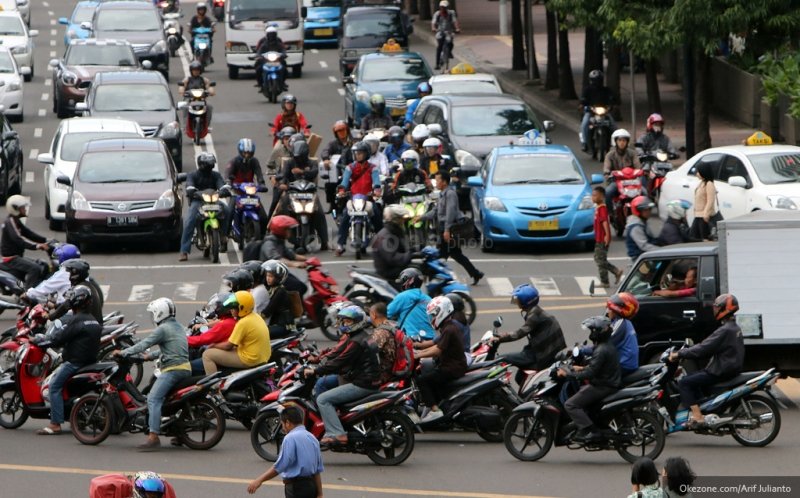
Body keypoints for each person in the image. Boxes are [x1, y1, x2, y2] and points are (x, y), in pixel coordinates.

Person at [115, 297, 191, 451]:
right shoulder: (178, 327)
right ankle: (179, 432)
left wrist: (123, 352)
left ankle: (153, 437)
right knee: (169, 401)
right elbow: (170, 348)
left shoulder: (162, 329)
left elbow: (144, 344)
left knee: (153, 399)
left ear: (159, 313)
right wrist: (149, 357)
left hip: (173, 370)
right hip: (185, 368)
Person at [303, 305, 381, 446]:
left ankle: (337, 434)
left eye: (348, 322)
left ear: (358, 321)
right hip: (368, 380)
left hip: (362, 384)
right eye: (344, 321)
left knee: (322, 399)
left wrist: (315, 371)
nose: (345, 324)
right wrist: (320, 361)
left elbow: (339, 362)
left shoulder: (356, 342)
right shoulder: (361, 336)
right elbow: (337, 353)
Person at [668, 294, 744, 427]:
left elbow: (703, 348)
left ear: (724, 309)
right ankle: (704, 408)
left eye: (717, 308)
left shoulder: (724, 330)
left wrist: (680, 353)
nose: (714, 310)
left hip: (721, 370)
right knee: (695, 377)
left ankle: (698, 416)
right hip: (729, 367)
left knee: (685, 382)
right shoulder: (733, 327)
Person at [35, 287, 101, 436]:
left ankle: (55, 423)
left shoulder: (76, 320)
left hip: (74, 363)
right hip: (90, 361)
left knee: (54, 386)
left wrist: (40, 340)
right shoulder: (92, 320)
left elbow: (59, 338)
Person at [558, 316, 621, 442]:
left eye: (592, 331)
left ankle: (589, 430)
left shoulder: (601, 350)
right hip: (608, 382)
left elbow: (591, 373)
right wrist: (580, 368)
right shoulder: (606, 346)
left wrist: (569, 374)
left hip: (602, 386)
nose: (591, 334)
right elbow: (596, 366)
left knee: (570, 404)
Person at [491, 284, 567, 384]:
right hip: (543, 350)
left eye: (518, 299)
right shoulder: (536, 311)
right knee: (520, 377)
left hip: (542, 354)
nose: (516, 301)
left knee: (502, 359)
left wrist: (500, 338)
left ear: (525, 301)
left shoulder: (535, 315)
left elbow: (519, 333)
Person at [419, 171, 483, 285]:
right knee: (455, 254)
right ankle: (475, 273)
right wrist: (421, 218)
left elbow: (451, 213)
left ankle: (435, 278)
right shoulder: (442, 194)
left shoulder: (450, 194)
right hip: (444, 229)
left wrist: (447, 230)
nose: (436, 183)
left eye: (438, 180)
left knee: (440, 256)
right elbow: (435, 211)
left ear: (444, 182)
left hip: (449, 229)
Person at [247, 405, 324, 498]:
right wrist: (320, 494)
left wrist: (259, 480)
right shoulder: (312, 438)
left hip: (296, 489)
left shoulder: (290, 438)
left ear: (287, 423)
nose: (283, 428)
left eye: (282, 424)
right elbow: (317, 470)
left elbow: (280, 466)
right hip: (312, 487)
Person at [416, 296, 467, 422]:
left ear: (443, 311)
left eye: (434, 314)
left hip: (452, 368)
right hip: (453, 366)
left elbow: (437, 350)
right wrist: (418, 351)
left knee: (422, 380)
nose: (433, 318)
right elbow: (435, 345)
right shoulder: (448, 326)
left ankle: (435, 410)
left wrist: (417, 355)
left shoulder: (449, 329)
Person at [277, 140, 329, 250]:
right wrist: (282, 184)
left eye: (300, 156)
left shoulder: (312, 163)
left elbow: (314, 172)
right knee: (281, 209)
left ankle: (325, 241)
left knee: (319, 212)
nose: (298, 159)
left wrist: (301, 172)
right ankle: (276, 238)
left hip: (309, 193)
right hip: (292, 193)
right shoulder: (289, 163)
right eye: (296, 156)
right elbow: (284, 175)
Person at [202, 291, 271, 374]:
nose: (231, 310)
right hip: (261, 356)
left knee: (207, 355)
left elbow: (228, 346)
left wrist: (213, 345)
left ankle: (213, 385)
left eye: (233, 308)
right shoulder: (255, 316)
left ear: (241, 308)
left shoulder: (243, 322)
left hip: (250, 359)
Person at [179, 153, 229, 261]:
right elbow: (189, 185)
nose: (210, 167)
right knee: (189, 221)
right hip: (198, 202)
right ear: (201, 165)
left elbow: (221, 184)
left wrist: (224, 190)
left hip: (213, 201)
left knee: (227, 210)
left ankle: (224, 236)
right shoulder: (192, 175)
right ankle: (184, 250)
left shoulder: (215, 175)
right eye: (208, 165)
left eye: (211, 164)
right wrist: (192, 191)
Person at [335, 141, 382, 256]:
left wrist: (376, 190)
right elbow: (344, 182)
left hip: (368, 199)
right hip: (353, 199)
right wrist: (342, 190)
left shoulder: (373, 168)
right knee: (345, 216)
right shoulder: (350, 168)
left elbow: (376, 182)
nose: (357, 155)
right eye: (356, 153)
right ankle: (340, 245)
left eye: (360, 153)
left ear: (366, 154)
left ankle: (382, 243)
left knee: (377, 216)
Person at [0, 195, 49, 289]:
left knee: (42, 264)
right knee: (35, 268)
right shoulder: (10, 221)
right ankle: (28, 295)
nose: (25, 209)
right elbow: (18, 239)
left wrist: (47, 240)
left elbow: (29, 233)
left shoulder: (16, 220)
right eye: (23, 208)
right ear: (15, 209)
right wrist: (37, 246)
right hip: (11, 259)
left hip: (17, 257)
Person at [226, 138, 268, 237]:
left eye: (249, 153)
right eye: (245, 153)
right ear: (240, 152)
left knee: (263, 216)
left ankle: (262, 236)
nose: (247, 155)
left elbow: (259, 174)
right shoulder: (234, 162)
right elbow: (228, 175)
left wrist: (261, 184)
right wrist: (229, 182)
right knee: (229, 213)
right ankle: (224, 238)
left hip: (250, 193)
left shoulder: (254, 161)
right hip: (236, 193)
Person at [258, 215, 308, 297]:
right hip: (270, 276)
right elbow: (277, 260)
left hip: (279, 273)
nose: (290, 232)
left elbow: (291, 255)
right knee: (298, 287)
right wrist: (295, 264)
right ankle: (295, 309)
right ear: (281, 230)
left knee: (302, 286)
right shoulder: (269, 243)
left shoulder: (279, 241)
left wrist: (308, 260)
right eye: (288, 229)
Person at [187, 293, 236, 374]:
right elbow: (220, 321)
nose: (215, 309)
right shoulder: (231, 319)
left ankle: (211, 383)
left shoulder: (225, 325)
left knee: (187, 367)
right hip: (230, 351)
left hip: (225, 354)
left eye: (216, 307)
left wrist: (182, 339)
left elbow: (202, 339)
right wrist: (204, 325)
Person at [47, 259, 104, 324]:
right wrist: (55, 305)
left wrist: (49, 317)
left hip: (88, 326)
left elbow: (66, 306)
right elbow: (72, 302)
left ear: (76, 274)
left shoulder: (80, 289)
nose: (69, 276)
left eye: (70, 273)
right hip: (90, 323)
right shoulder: (87, 285)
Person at [387, 268, 435, 340]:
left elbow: (387, 313)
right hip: (430, 338)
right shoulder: (428, 298)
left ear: (407, 281)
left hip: (411, 339)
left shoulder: (403, 296)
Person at [591, 186, 623, 288]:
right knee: (599, 259)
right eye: (592, 195)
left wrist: (607, 236)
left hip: (602, 238)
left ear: (602, 196)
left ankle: (616, 271)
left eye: (595, 195)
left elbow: (605, 222)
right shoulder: (598, 208)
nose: (593, 198)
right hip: (599, 238)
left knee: (600, 260)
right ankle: (605, 281)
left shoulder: (602, 208)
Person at [371, 205, 413, 282]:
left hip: (394, 267)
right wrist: (410, 254)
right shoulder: (384, 236)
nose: (403, 222)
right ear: (396, 220)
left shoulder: (395, 232)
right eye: (401, 219)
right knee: (415, 272)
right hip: (388, 272)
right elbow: (393, 258)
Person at [603, 129, 643, 211]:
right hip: (616, 181)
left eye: (624, 140)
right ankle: (610, 214)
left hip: (632, 181)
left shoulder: (633, 153)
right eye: (619, 140)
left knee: (644, 192)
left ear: (627, 142)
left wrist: (641, 171)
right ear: (615, 142)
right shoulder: (610, 155)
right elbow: (606, 168)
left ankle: (642, 215)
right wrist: (607, 173)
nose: (622, 142)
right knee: (608, 192)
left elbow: (638, 167)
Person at [579, 69, 616, 152]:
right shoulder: (587, 90)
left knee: (613, 125)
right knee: (584, 124)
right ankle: (584, 143)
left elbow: (612, 99)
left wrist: (611, 106)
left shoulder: (606, 90)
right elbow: (583, 101)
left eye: (598, 80)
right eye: (595, 80)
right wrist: (584, 106)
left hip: (604, 112)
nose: (597, 82)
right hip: (591, 112)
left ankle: (615, 143)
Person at [320, 120, 353, 214]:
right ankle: (332, 204)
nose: (341, 133)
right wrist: (326, 159)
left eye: (343, 130)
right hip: (338, 171)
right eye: (339, 131)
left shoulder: (354, 142)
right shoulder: (333, 143)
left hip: (353, 170)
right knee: (330, 184)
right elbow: (325, 151)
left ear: (347, 130)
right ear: (336, 133)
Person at [604, 292, 640, 376]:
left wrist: (584, 350)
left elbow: (605, 344)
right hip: (626, 363)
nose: (608, 311)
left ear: (616, 310)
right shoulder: (624, 323)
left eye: (610, 309)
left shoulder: (621, 324)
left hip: (624, 366)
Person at [260, 260, 296, 339]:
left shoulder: (280, 291)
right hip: (275, 323)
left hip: (283, 326)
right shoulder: (272, 289)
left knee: (257, 334)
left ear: (279, 278)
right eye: (267, 275)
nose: (268, 278)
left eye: (271, 276)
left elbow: (267, 311)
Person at [368, 303, 398, 385]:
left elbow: (368, 352)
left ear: (373, 315)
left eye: (370, 314)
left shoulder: (380, 333)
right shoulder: (393, 324)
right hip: (392, 370)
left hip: (383, 376)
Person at [689, 161, 719, 241]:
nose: (697, 173)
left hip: (704, 216)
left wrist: (706, 213)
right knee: (693, 236)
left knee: (704, 237)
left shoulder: (709, 184)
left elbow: (710, 200)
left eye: (698, 172)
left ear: (704, 172)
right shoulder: (701, 183)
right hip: (698, 215)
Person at [624, 195, 660, 261]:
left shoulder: (642, 222)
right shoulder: (636, 227)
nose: (649, 212)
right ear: (638, 211)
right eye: (646, 210)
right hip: (640, 259)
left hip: (646, 255)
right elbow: (644, 246)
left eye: (649, 209)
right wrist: (662, 250)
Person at [253, 25, 287, 90]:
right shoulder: (263, 43)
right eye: (270, 34)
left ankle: (282, 83)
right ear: (267, 35)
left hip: (277, 60)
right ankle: (260, 83)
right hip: (266, 60)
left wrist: (283, 54)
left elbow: (283, 49)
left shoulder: (278, 42)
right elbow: (259, 50)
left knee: (284, 69)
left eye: (273, 34)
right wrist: (259, 56)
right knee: (258, 69)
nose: (271, 36)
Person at [431, 0, 460, 70]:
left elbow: (455, 21)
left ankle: (448, 52)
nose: (443, 9)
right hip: (440, 32)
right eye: (442, 7)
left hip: (449, 32)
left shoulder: (451, 13)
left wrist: (457, 28)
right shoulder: (437, 14)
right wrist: (433, 28)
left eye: (444, 7)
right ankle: (437, 63)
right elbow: (433, 22)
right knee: (439, 47)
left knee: (450, 43)